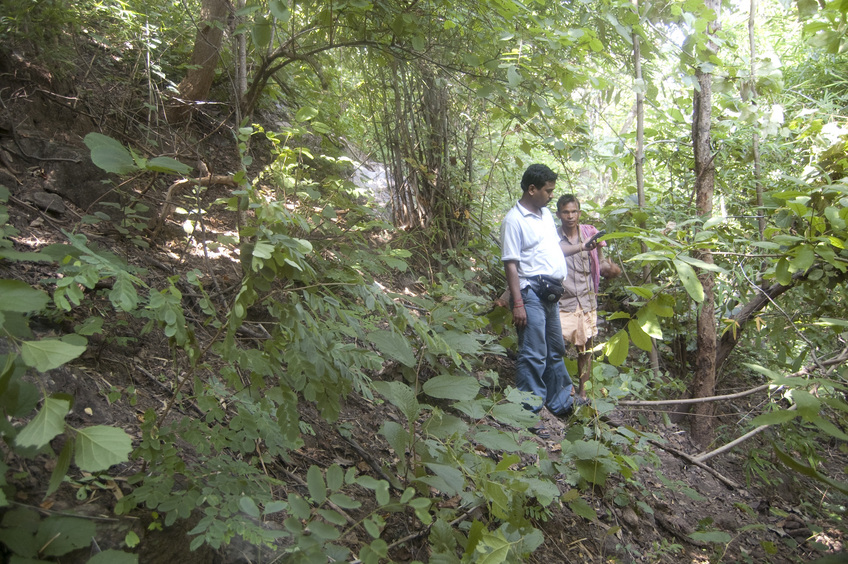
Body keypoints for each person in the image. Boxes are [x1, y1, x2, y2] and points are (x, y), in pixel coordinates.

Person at [501, 164, 575, 435]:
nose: (551, 196)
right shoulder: (514, 220)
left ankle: (560, 401)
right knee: (533, 353)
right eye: (548, 190)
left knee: (555, 349)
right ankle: (527, 413)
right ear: (532, 189)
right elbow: (511, 264)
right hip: (530, 293)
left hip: (550, 293)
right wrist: (518, 303)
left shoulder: (544, 215)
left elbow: (550, 250)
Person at [555, 194, 621, 401]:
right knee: (556, 347)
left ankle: (583, 393)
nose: (570, 216)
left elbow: (599, 264)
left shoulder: (590, 234)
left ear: (579, 213)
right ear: (558, 214)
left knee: (586, 349)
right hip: (563, 301)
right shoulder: (553, 237)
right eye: (565, 212)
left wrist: (611, 269)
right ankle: (562, 389)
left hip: (587, 301)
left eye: (574, 211)